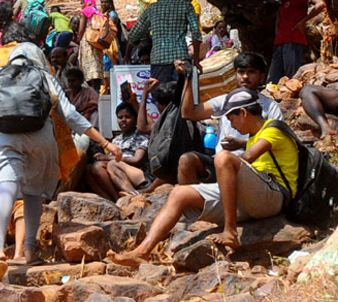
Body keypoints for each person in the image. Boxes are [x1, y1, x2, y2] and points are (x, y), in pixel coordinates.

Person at [0, 42, 121, 276]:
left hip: (3, 139)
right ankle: (30, 251)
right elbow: (71, 115)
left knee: (5, 190)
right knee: (33, 193)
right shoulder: (44, 77)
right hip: (40, 140)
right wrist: (105, 142)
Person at [110, 88, 295, 265]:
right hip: (251, 197)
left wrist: (231, 156)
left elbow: (247, 158)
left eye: (232, 119)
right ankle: (142, 252)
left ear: (244, 113)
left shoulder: (274, 129)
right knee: (180, 193)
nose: (232, 126)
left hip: (274, 196)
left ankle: (230, 231)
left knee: (223, 157)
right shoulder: (254, 135)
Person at [177, 52, 282, 183]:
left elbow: (275, 143)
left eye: (251, 72)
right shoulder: (225, 101)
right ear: (235, 75)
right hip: (219, 163)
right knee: (187, 160)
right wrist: (188, 78)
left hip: (254, 167)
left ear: (262, 77)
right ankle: (192, 201)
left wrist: (242, 144)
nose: (245, 77)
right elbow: (188, 113)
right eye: (241, 72)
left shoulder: (270, 107)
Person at [124, 0, 202, 85]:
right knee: (183, 98)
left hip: (158, 61)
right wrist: (197, 60)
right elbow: (196, 34)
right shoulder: (186, 6)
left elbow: (134, 34)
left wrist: (127, 55)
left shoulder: (152, 8)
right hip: (181, 59)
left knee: (161, 98)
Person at [84, 102, 151, 201]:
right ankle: (111, 199)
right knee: (89, 170)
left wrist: (107, 157)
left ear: (135, 119)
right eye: (120, 117)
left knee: (107, 165)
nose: (123, 120)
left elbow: (137, 159)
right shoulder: (117, 140)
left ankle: (129, 197)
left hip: (136, 173)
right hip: (116, 172)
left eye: (127, 117)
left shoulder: (141, 136)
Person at [268, 0, 324, 83]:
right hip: (279, 43)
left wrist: (303, 22)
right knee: (273, 79)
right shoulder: (282, 2)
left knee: (292, 78)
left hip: (292, 41)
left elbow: (320, 4)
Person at [75, 0, 107, 92]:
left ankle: (90, 92)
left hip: (88, 41)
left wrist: (79, 38)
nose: (81, 5)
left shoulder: (85, 11)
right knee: (96, 66)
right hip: (97, 42)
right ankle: (96, 90)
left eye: (81, 2)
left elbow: (81, 30)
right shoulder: (98, 12)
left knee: (87, 66)